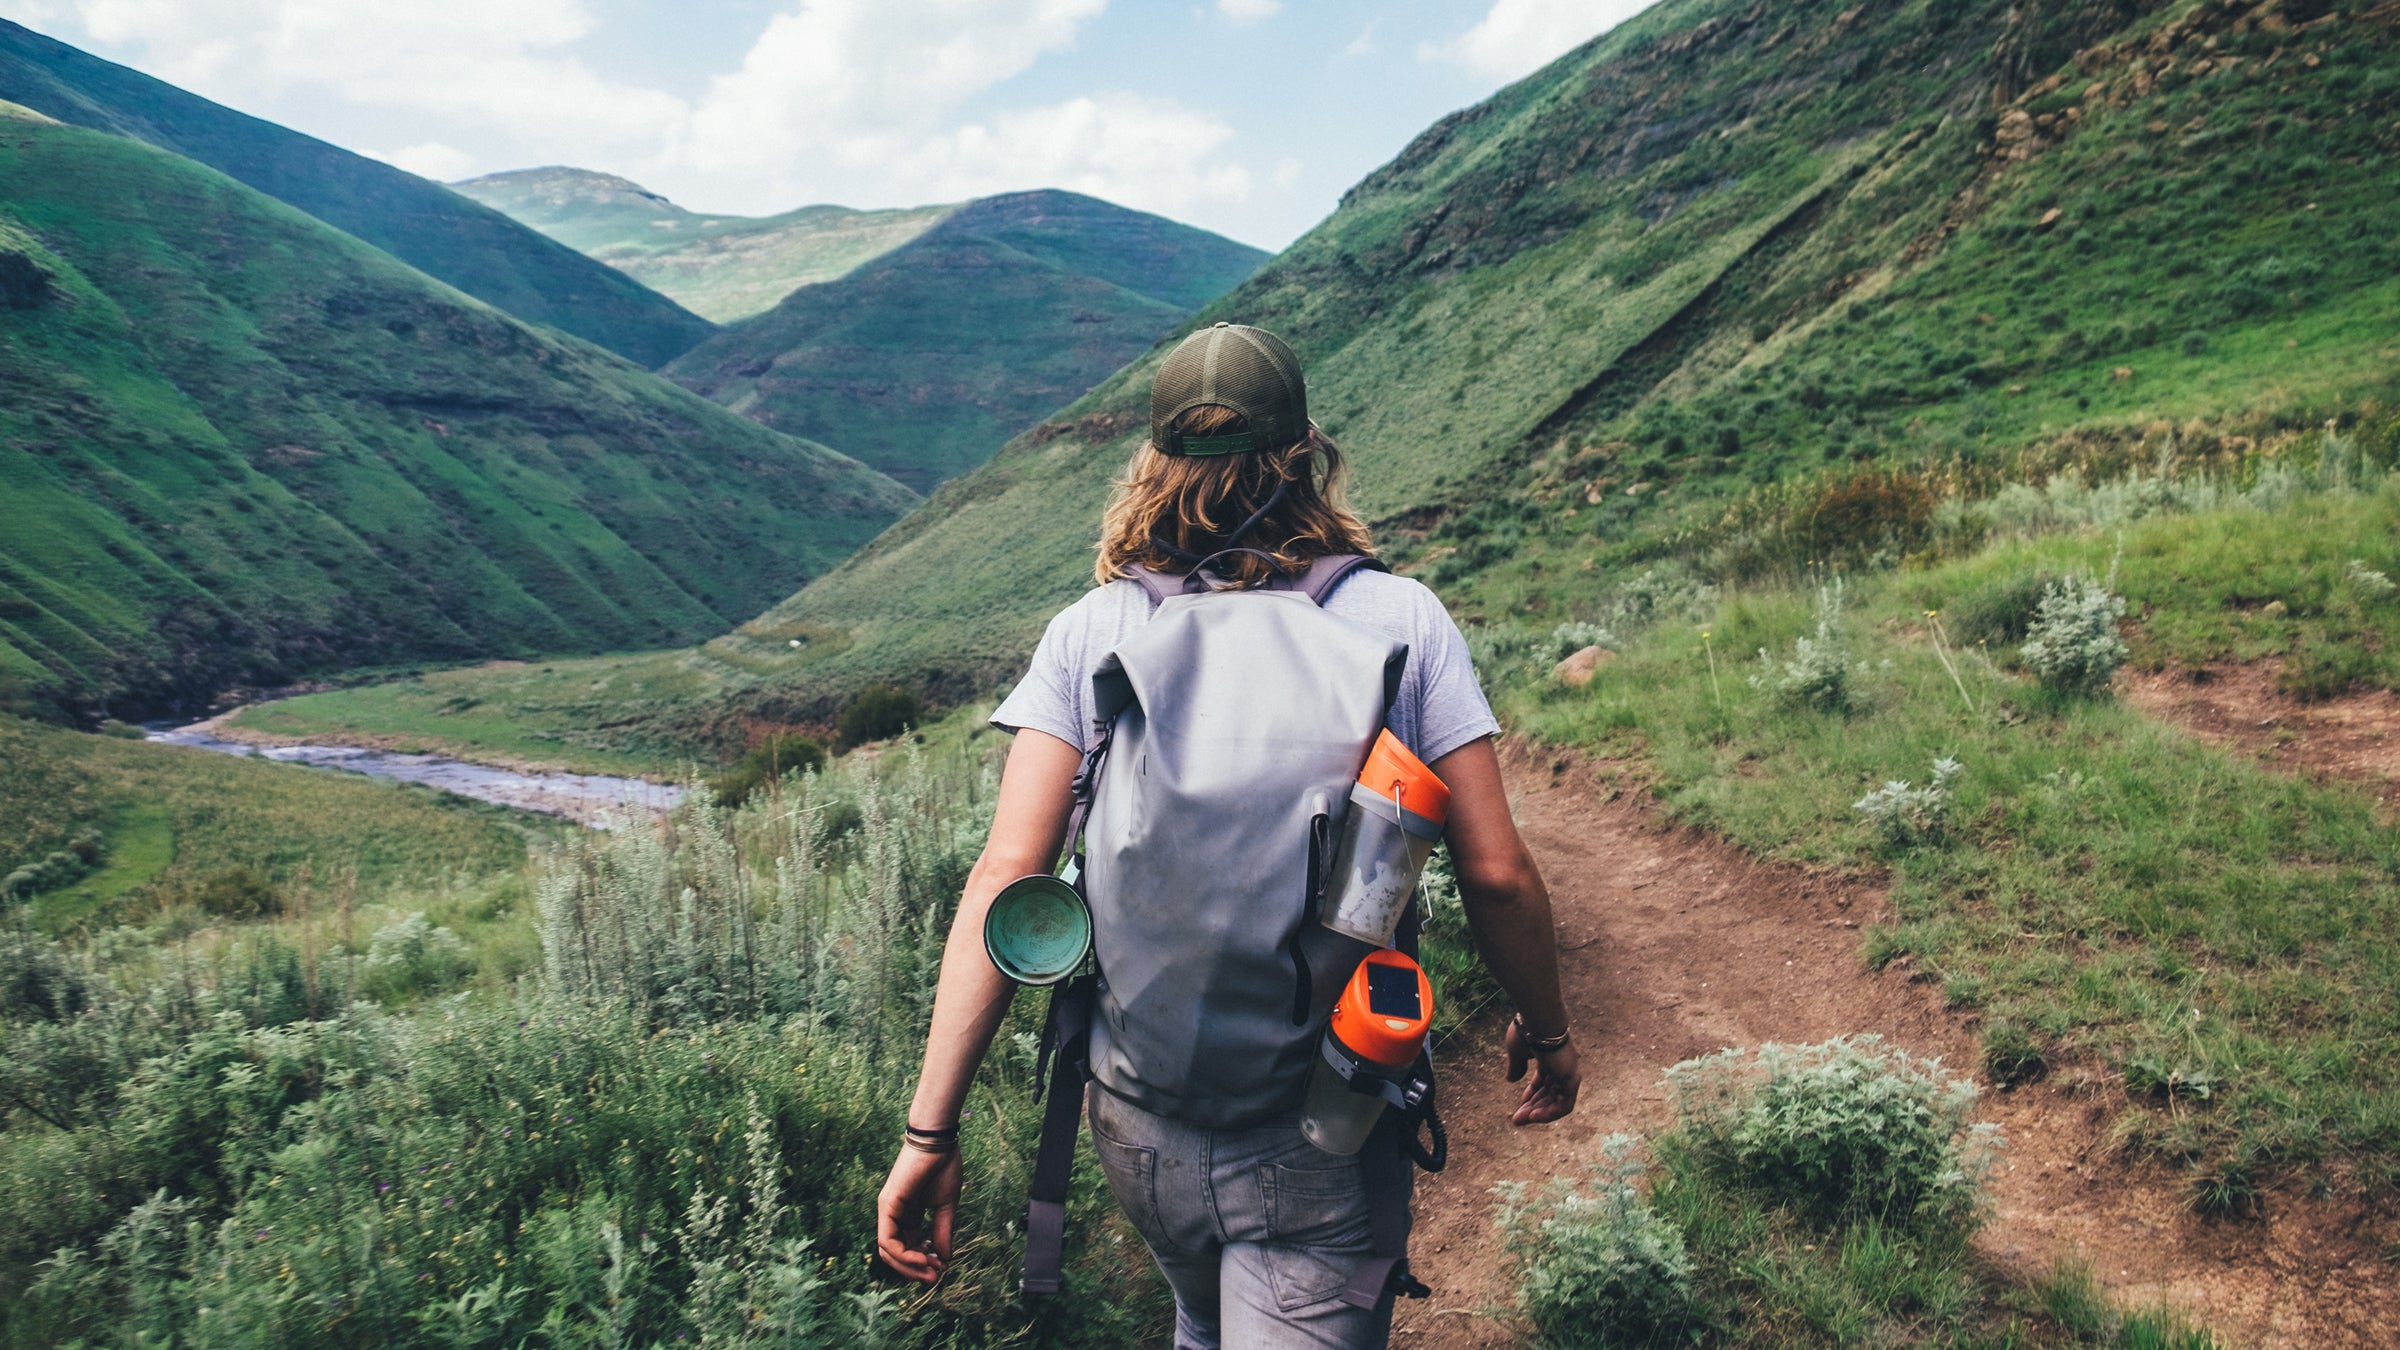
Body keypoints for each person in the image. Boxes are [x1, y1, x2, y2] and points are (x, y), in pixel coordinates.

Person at [877, 322, 1580, 1348]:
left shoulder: (1094, 632)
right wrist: (1549, 1032)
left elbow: (1007, 876)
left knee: (1202, 1326)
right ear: (1305, 453)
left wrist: (928, 1131)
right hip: (1327, 1119)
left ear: (1154, 464)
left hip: (1137, 1118)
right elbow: (1497, 873)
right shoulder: (1401, 620)